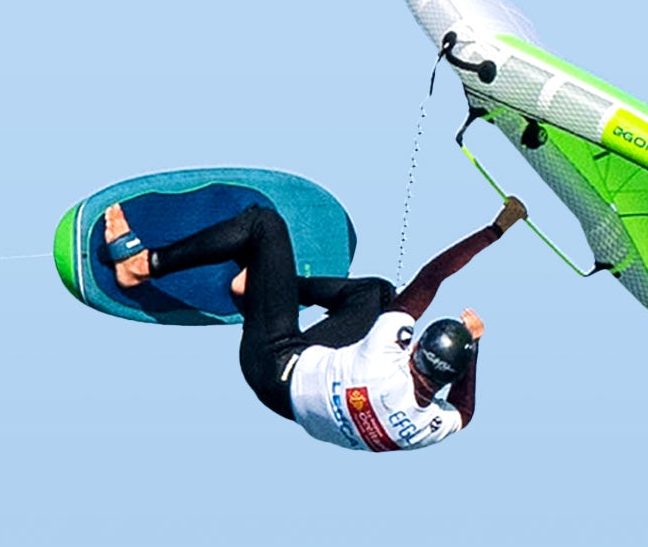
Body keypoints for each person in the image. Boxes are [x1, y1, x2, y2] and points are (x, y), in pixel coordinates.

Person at [95, 192, 528, 453]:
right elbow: (465, 411)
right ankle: (267, 284)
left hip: (273, 361)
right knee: (377, 295)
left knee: (263, 225)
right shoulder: (430, 425)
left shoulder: (384, 355)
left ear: (414, 351)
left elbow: (431, 278)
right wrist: (471, 351)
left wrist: (495, 230)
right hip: (301, 402)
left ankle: (141, 265)